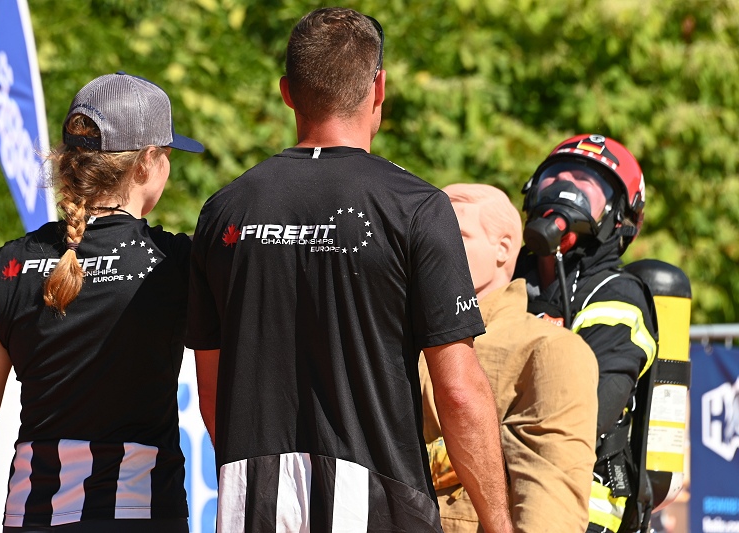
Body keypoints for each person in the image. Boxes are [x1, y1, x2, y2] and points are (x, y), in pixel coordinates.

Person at [185, 8, 513, 532]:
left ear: (287, 92)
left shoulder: (223, 210)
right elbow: (458, 391)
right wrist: (499, 525)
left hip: (253, 502)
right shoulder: (416, 207)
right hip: (381, 504)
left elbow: (212, 392)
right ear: (379, 87)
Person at [0, 72, 204, 533]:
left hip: (31, 516)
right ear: (146, 162)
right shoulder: (174, 262)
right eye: (166, 154)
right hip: (140, 514)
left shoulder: (8, 268)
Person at [420, 183, 599, 532]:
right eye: (425, 238)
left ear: (502, 249)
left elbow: (549, 504)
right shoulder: (391, 339)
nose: (433, 249)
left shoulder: (545, 349)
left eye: (456, 236)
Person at [513, 134, 659, 533]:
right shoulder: (504, 274)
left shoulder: (618, 297)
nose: (566, 186)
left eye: (586, 182)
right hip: (491, 496)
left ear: (619, 217)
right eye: (557, 175)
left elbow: (583, 419)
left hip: (579, 508)